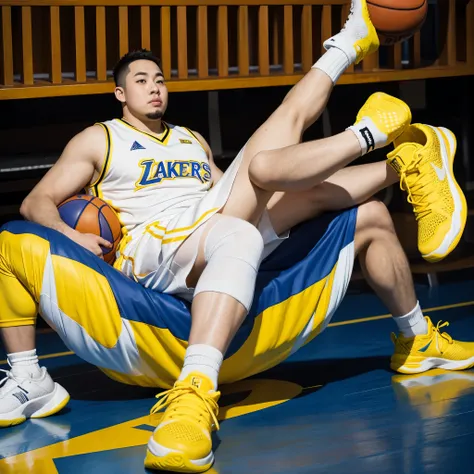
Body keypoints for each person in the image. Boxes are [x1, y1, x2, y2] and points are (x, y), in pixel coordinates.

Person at [0, 0, 471, 471]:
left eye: (160, 79)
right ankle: (379, 135)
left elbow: (239, 186)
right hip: (154, 246)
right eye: (141, 81)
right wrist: (68, 234)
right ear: (120, 93)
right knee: (257, 186)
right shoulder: (100, 138)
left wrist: (270, 201)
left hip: (210, 224)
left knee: (344, 205)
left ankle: (416, 325)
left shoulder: (192, 140)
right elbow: (35, 202)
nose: (154, 88)